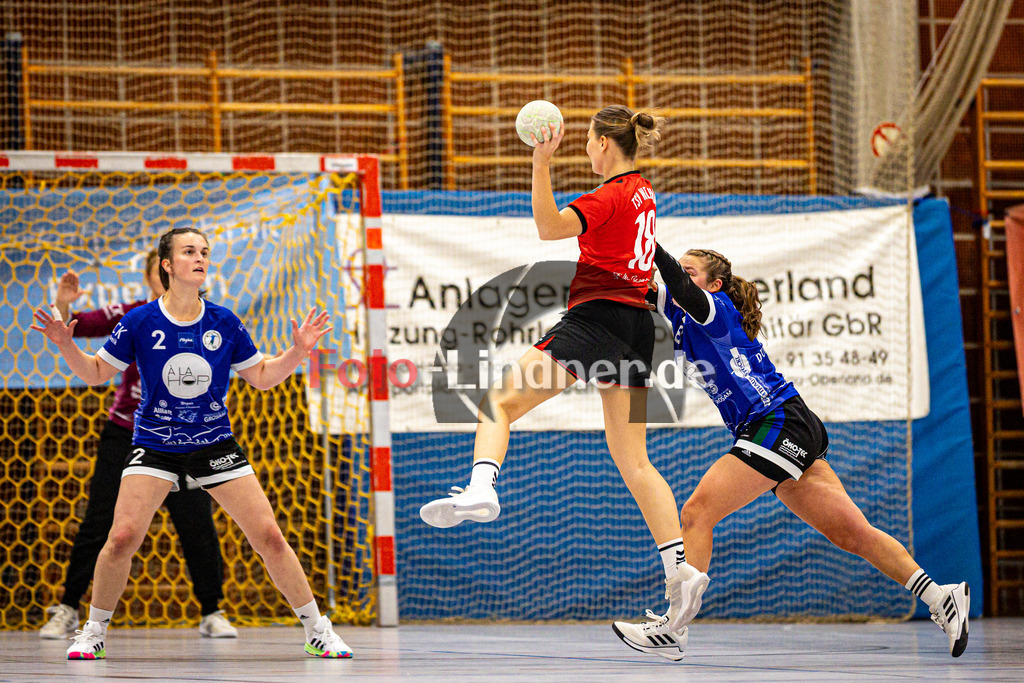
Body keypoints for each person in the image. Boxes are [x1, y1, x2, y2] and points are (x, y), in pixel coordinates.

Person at [418, 105, 709, 632]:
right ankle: (679, 570)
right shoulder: (644, 192)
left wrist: (540, 162)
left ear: (602, 144)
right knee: (634, 460)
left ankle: (483, 487)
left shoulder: (608, 195)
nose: (586, 149)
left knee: (497, 404)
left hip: (597, 319)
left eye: (589, 141)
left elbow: (549, 228)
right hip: (639, 328)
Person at [611, 244, 969, 661]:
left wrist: (647, 239)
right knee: (852, 534)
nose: (682, 278)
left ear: (715, 284)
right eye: (683, 271)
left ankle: (675, 627)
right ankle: (941, 596)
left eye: (691, 272)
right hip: (781, 426)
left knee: (694, 514)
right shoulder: (679, 314)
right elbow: (639, 287)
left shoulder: (715, 308)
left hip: (775, 422)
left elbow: (674, 283)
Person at [31, 226, 352, 660]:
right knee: (122, 535)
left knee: (269, 537)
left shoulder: (224, 321)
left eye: (204, 251)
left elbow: (260, 378)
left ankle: (318, 630)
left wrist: (298, 352)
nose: (199, 258)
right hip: (156, 441)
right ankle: (92, 631)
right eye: (188, 251)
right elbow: (93, 373)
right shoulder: (140, 321)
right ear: (167, 265)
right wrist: (66, 344)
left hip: (212, 442)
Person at [39, 252, 237, 640]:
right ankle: (67, 608)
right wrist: (63, 303)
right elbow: (75, 329)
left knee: (196, 521)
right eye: (177, 259)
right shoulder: (134, 315)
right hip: (127, 435)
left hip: (184, 437)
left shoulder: (209, 320)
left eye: (199, 255)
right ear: (157, 272)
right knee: (101, 522)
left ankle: (213, 610)